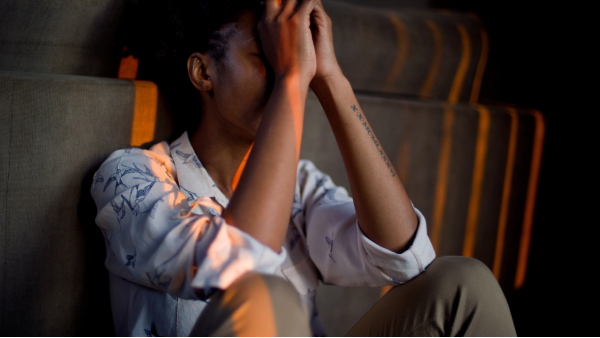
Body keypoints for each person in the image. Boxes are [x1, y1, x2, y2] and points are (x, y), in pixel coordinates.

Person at [91, 0, 517, 336]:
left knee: (464, 284)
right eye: (268, 56)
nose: (286, 69)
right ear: (203, 72)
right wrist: (293, 79)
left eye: (293, 56)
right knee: (266, 296)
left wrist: (330, 78)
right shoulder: (131, 178)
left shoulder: (301, 184)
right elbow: (244, 264)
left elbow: (408, 258)